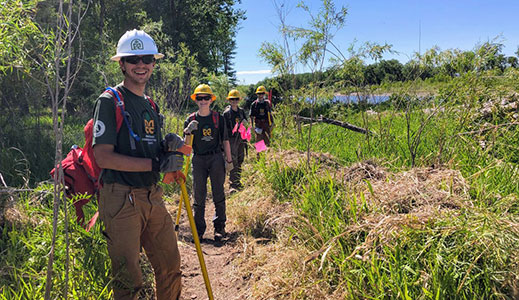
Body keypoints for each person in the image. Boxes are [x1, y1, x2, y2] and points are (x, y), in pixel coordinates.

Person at [92, 29, 184, 300]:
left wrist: (167, 145)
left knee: (170, 266)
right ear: (121, 64)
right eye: (133, 59)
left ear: (154, 62)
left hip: (152, 196)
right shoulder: (109, 101)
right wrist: (155, 164)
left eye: (146, 58)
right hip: (120, 198)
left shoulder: (150, 105)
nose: (140, 64)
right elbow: (103, 157)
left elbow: (149, 150)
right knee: (128, 279)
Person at [184, 84, 232, 242]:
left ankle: (220, 228)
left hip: (216, 158)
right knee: (199, 195)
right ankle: (198, 230)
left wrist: (229, 160)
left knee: (218, 192)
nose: (203, 101)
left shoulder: (219, 118)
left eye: (206, 98)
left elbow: (225, 140)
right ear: (196, 100)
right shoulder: (190, 119)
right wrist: (188, 132)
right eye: (200, 98)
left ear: (211, 100)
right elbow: (186, 147)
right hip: (198, 159)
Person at [223, 89, 248, 193]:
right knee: (233, 161)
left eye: (236, 99)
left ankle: (238, 181)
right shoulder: (226, 113)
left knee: (240, 159)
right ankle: (233, 185)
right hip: (231, 140)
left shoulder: (241, 111)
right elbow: (223, 129)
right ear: (229, 100)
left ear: (239, 100)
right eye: (232, 99)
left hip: (241, 139)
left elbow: (246, 124)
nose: (234, 101)